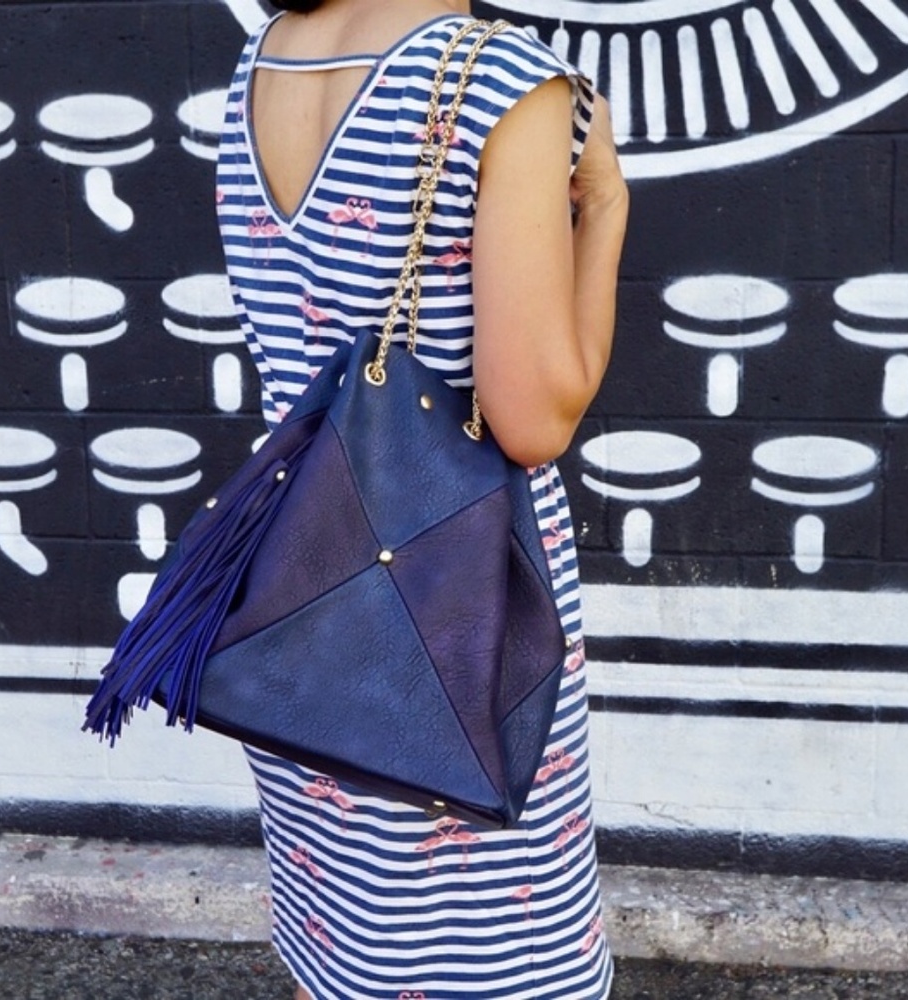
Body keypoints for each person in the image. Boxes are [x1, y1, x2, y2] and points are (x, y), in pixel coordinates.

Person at [216, 0, 628, 996]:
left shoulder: (263, 61)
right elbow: (535, 417)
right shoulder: (503, 81)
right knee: (479, 944)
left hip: (296, 575)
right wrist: (606, 204)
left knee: (354, 939)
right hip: (446, 592)